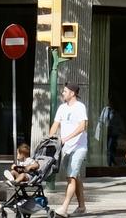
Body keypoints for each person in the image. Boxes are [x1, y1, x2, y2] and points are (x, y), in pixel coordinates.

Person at [52, 82, 90, 215]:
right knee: (75, 177)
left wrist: (66, 138)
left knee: (71, 177)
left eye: (65, 91)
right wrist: (50, 139)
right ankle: (82, 207)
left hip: (79, 147)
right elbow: (55, 125)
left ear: (72, 93)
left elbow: (82, 126)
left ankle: (64, 208)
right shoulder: (62, 108)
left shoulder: (80, 107)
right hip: (66, 148)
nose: (62, 93)